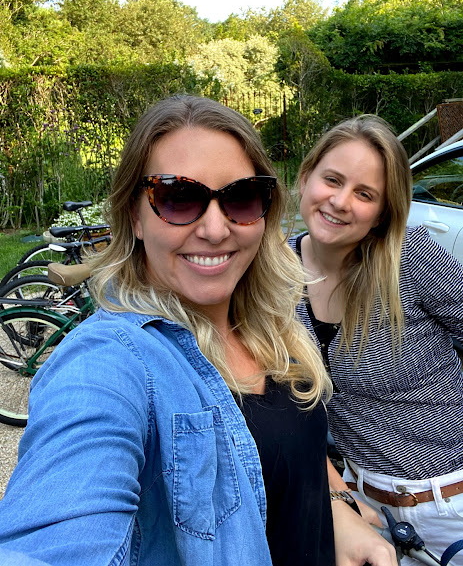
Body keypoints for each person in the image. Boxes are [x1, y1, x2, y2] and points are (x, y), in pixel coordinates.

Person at [0, 97, 396, 566]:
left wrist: (337, 510)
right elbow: (54, 536)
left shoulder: (271, 324)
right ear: (134, 216)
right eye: (178, 197)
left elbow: (294, 458)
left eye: (241, 197)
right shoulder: (109, 363)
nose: (215, 228)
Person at [290, 114, 463, 565]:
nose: (341, 201)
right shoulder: (273, 275)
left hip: (453, 505)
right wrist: (339, 498)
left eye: (365, 194)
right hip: (361, 509)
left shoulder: (414, 259)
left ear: (384, 211)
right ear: (306, 177)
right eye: (332, 179)